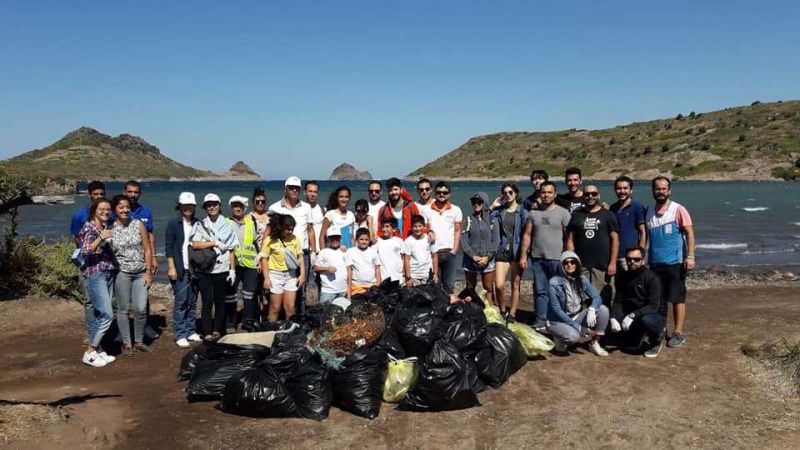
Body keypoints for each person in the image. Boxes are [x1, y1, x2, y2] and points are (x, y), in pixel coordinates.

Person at [646, 176, 695, 349]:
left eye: (663, 189)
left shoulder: (678, 209)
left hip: (675, 262)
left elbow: (689, 233)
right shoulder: (649, 210)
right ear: (653, 191)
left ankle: (678, 332)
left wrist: (690, 256)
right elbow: (646, 238)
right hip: (655, 264)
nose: (660, 191)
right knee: (658, 300)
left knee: (677, 298)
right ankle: (660, 330)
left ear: (669, 190)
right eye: (657, 189)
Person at [519, 181, 571, 330]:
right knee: (540, 290)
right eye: (543, 192)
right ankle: (541, 319)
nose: (546, 195)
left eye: (549, 192)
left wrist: (568, 257)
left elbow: (569, 237)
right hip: (537, 258)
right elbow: (527, 235)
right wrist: (523, 256)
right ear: (539, 194)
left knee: (558, 290)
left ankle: (557, 318)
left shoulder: (563, 213)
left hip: (557, 259)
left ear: (555, 194)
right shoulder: (533, 213)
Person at [109, 195, 153, 356]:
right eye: (121, 207)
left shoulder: (138, 224)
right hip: (122, 273)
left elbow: (147, 249)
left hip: (141, 272)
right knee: (123, 309)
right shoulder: (110, 228)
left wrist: (148, 271)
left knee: (140, 309)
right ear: (115, 209)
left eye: (127, 207)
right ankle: (127, 343)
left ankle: (139, 341)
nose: (125, 210)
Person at [190, 193, 238, 340]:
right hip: (205, 269)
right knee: (206, 301)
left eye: (214, 204)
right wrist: (214, 243)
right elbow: (195, 244)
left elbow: (231, 249)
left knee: (220, 300)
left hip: (222, 268)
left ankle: (217, 329)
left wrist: (232, 269)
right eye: (209, 205)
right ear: (205, 207)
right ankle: (207, 332)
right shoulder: (200, 224)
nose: (212, 207)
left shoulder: (228, 224)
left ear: (219, 205)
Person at [546, 251, 610, 357]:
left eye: (573, 262)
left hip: (576, 315)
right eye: (566, 263)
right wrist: (576, 326)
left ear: (577, 264)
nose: (569, 265)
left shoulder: (581, 279)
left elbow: (596, 297)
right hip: (557, 320)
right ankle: (559, 338)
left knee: (603, 310)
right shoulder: (554, 282)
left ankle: (594, 343)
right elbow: (556, 309)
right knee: (573, 337)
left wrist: (592, 309)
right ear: (561, 265)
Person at [78, 197, 117, 367]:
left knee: (100, 313)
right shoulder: (90, 227)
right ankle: (89, 351)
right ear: (94, 210)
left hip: (107, 272)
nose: (106, 212)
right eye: (102, 209)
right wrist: (101, 237)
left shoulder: (104, 227)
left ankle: (98, 350)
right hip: (96, 274)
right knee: (107, 314)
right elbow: (85, 250)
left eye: (108, 209)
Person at [609, 246, 667, 358]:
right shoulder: (623, 277)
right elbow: (618, 300)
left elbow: (653, 306)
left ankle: (657, 339)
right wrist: (613, 317)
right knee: (611, 329)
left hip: (652, 314)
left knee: (647, 321)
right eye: (629, 259)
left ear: (643, 260)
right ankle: (637, 335)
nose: (632, 262)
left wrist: (632, 315)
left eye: (636, 259)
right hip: (633, 314)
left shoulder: (651, 278)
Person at [269, 176, 316, 315]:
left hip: (303, 254)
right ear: (285, 188)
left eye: (297, 188)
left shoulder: (307, 207)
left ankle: (298, 321)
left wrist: (314, 252)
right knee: (280, 289)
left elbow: (310, 229)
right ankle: (281, 321)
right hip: (280, 255)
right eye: (291, 187)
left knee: (300, 288)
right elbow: (269, 232)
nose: (294, 190)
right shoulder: (275, 208)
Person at [566, 184, 619, 304]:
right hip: (582, 265)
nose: (590, 196)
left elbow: (615, 239)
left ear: (598, 195)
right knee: (582, 298)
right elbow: (570, 239)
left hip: (602, 266)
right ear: (583, 196)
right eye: (587, 194)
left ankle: (605, 321)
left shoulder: (608, 214)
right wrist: (571, 261)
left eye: (594, 194)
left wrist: (612, 263)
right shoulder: (576, 215)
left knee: (603, 298)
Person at [165, 192, 201, 348]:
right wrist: (172, 267)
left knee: (192, 301)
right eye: (185, 206)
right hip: (180, 268)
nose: (188, 208)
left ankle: (190, 330)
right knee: (181, 301)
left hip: (195, 268)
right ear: (180, 206)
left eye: (190, 206)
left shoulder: (198, 223)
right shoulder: (173, 224)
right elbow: (169, 247)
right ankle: (180, 333)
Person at [70, 180, 106, 332]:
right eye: (95, 194)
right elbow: (76, 237)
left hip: (104, 262)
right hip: (86, 262)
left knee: (104, 299)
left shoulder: (107, 213)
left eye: (101, 194)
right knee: (89, 300)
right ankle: (92, 332)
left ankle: (104, 331)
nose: (98, 197)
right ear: (89, 195)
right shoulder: (80, 215)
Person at [491, 182, 529, 322]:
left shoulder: (523, 211)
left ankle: (512, 313)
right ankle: (502, 309)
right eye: (505, 193)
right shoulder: (500, 211)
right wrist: (493, 206)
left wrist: (525, 253)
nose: (507, 195)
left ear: (516, 193)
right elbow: (487, 221)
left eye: (510, 192)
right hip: (503, 249)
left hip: (518, 250)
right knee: (499, 285)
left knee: (515, 284)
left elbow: (528, 232)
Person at [260, 214, 305, 322]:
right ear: (280, 227)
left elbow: (300, 256)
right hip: (275, 275)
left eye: (292, 229)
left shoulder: (295, 239)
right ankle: (271, 332)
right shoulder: (270, 240)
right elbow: (264, 259)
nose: (290, 232)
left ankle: (288, 333)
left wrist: (302, 274)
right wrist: (266, 278)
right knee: (275, 308)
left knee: (290, 308)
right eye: (288, 229)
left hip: (291, 275)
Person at [226, 195, 260, 332]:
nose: (237, 208)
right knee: (230, 295)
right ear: (231, 207)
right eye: (235, 206)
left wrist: (259, 259)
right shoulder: (225, 222)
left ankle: (248, 322)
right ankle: (230, 323)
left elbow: (256, 241)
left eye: (240, 206)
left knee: (249, 295)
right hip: (231, 265)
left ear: (244, 208)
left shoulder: (251, 222)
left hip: (250, 265)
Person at [423, 181, 462, 294]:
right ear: (435, 193)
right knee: (434, 286)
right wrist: (429, 231)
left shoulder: (456, 210)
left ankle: (449, 310)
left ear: (449, 194)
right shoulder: (426, 210)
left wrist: (454, 250)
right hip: (432, 254)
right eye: (439, 192)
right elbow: (423, 228)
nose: (441, 194)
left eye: (444, 192)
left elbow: (457, 231)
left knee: (449, 286)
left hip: (449, 253)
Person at [461, 192, 499, 308]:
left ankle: (489, 312)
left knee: (488, 288)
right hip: (470, 260)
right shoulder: (468, 220)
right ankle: (471, 309)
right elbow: (464, 241)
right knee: (470, 287)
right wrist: (473, 256)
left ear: (484, 203)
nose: (476, 204)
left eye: (479, 202)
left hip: (487, 259)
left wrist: (488, 257)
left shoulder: (493, 220)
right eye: (473, 202)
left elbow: (496, 241)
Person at [610, 176, 647, 271]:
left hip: (630, 257)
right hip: (613, 256)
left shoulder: (637, 207)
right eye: (619, 188)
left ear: (631, 190)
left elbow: (643, 232)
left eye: (625, 188)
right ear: (615, 190)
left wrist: (641, 255)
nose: (622, 191)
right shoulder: (612, 208)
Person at [123, 181, 158, 275]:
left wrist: (154, 257)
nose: (133, 195)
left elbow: (150, 236)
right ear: (124, 192)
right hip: (122, 261)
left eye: (136, 192)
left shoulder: (146, 212)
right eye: (130, 192)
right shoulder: (118, 211)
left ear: (140, 194)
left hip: (142, 260)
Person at [402, 215, 438, 286]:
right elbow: (407, 259)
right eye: (415, 226)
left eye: (420, 226)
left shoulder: (429, 239)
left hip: (427, 275)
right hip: (414, 277)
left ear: (424, 226)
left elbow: (434, 257)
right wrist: (408, 277)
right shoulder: (408, 241)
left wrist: (435, 274)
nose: (417, 229)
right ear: (411, 228)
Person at [314, 227, 348, 303]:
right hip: (328, 291)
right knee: (325, 313)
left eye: (337, 237)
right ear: (328, 239)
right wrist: (327, 268)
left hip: (343, 290)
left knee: (343, 313)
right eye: (332, 238)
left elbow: (349, 269)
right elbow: (315, 268)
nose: (335, 240)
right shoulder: (323, 252)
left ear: (340, 238)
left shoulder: (345, 251)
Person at [346, 228, 381, 297]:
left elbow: (377, 268)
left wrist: (378, 284)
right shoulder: (350, 251)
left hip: (372, 286)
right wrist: (349, 293)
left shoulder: (373, 251)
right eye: (361, 239)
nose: (364, 242)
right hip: (356, 286)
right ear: (356, 240)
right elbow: (349, 271)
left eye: (366, 239)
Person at [375, 217, 404, 283]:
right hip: (384, 279)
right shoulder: (377, 241)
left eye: (387, 226)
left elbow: (403, 259)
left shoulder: (399, 241)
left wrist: (404, 275)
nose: (384, 229)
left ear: (394, 229)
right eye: (383, 227)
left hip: (398, 278)